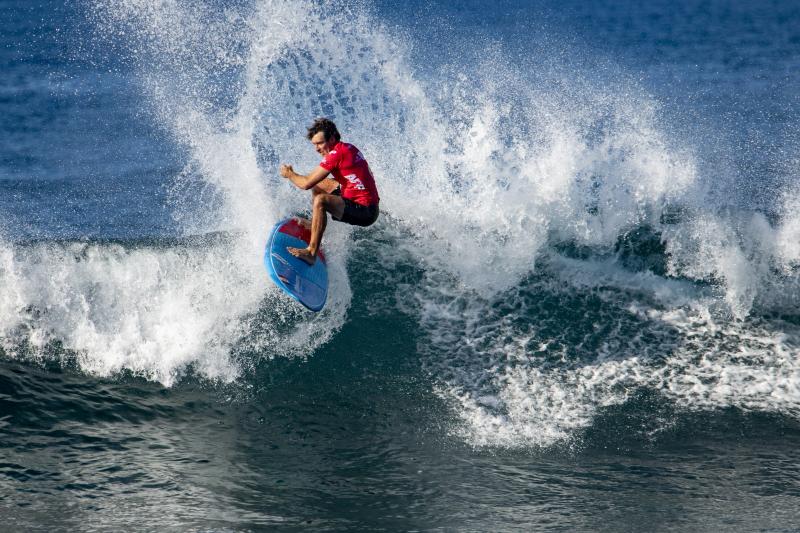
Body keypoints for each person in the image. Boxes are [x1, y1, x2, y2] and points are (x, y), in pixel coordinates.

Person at [279, 118, 380, 265]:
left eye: (320, 143)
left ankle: (311, 253)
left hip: (365, 211)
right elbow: (313, 181)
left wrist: (289, 174)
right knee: (318, 184)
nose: (317, 149)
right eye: (314, 145)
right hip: (357, 197)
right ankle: (315, 223)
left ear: (332, 139)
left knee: (321, 200)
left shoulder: (336, 154)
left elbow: (305, 184)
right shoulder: (346, 147)